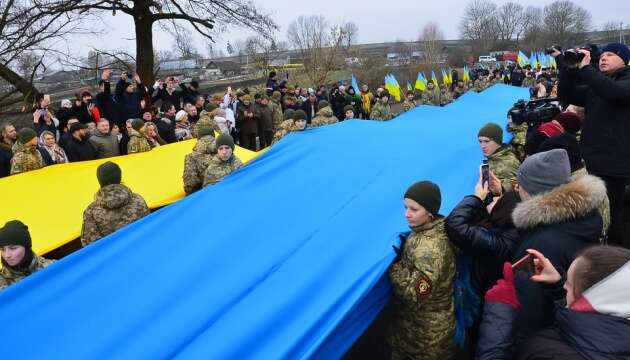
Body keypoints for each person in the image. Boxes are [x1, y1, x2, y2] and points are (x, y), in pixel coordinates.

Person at [510, 149, 607, 342]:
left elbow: (530, 308)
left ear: (529, 191)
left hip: (542, 336)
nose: (516, 188)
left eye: (519, 184)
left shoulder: (540, 244)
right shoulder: (585, 215)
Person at [477, 246, 630, 359]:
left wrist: (499, 311)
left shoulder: (549, 354)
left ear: (590, 299)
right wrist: (557, 286)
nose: (564, 286)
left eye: (568, 284)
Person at [556, 43, 630, 248]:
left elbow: (613, 92)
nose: (604, 58)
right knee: (593, 216)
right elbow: (567, 95)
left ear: (624, 60)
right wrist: (569, 70)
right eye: (602, 54)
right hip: (591, 162)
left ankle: (617, 261)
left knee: (615, 219)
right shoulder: (597, 85)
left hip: (616, 167)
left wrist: (586, 68)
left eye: (610, 55)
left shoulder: (624, 82)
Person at [388, 181, 456, 360]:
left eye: (414, 209)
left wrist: (395, 268)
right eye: (405, 207)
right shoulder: (435, 227)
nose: (407, 214)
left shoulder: (430, 250)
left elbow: (415, 294)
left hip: (425, 340)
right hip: (417, 330)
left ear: (430, 212)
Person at [446, 170, 521, 298]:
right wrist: (499, 192)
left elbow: (455, 224)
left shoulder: (499, 243)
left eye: (498, 200)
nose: (494, 199)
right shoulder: (508, 226)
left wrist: (477, 198)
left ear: (502, 211)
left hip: (474, 294)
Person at [81, 161, 149, 247]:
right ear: (120, 178)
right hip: (140, 251)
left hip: (113, 259)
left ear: (99, 181)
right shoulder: (138, 200)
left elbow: (90, 246)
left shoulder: (91, 212)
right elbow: (148, 229)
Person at [0, 220, 54, 290]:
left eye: (13, 248)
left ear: (26, 247)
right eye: (2, 249)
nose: (7, 255)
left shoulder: (52, 268)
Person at [478, 123, 521, 192]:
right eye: (480, 141)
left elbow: (519, 188)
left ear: (497, 141)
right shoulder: (493, 156)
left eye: (486, 141)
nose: (482, 146)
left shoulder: (508, 162)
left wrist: (501, 188)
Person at [183, 127, 216, 195]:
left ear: (199, 138)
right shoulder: (225, 150)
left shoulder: (192, 157)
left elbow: (190, 183)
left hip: (205, 194)